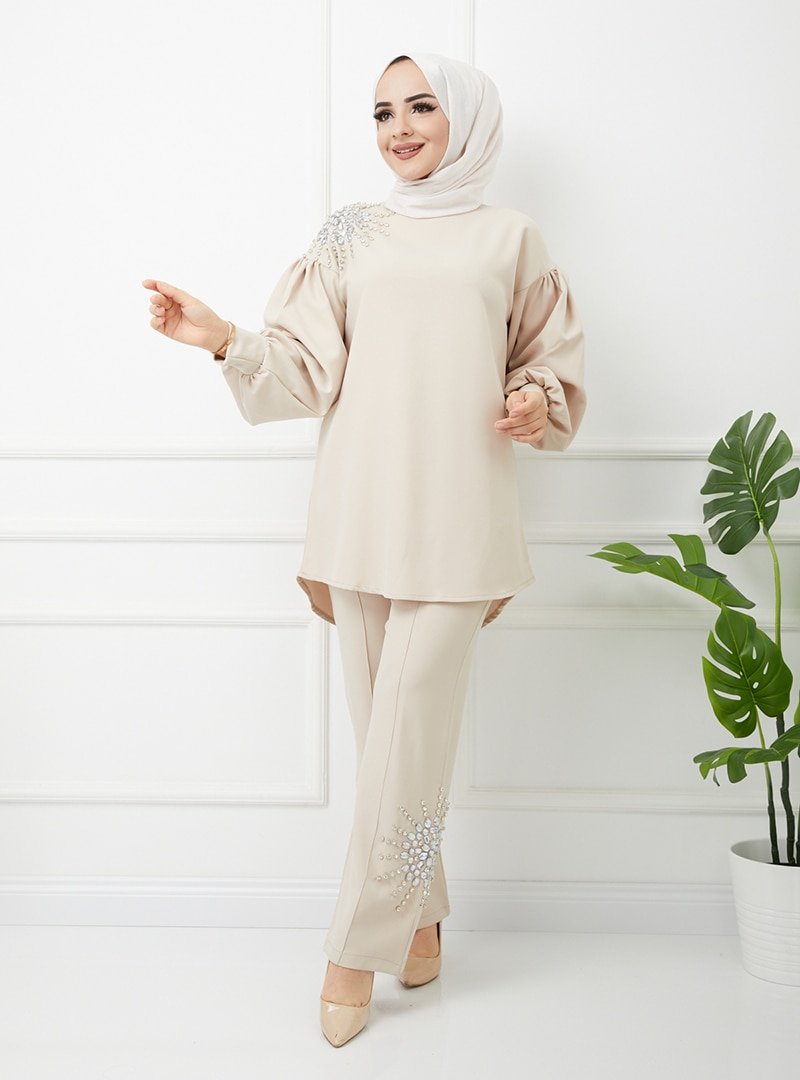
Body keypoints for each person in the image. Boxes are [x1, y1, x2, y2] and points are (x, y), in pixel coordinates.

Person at [142, 50, 587, 1048]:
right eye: (383, 112)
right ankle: (420, 919)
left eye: (421, 106)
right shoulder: (348, 235)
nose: (399, 128)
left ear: (465, 118)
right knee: (392, 744)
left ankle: (352, 950)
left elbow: (545, 360)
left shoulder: (510, 238)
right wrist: (222, 337)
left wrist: (533, 399)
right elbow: (305, 371)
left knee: (405, 736)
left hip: (461, 520)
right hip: (358, 516)